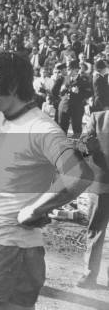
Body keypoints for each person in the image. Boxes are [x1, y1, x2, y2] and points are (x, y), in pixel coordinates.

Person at [0, 52, 92, 310]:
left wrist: (35, 209)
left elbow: (78, 175)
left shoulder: (41, 128)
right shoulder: (2, 117)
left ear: (12, 86)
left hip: (15, 249)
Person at [76, 110, 109, 288]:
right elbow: (81, 146)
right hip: (102, 183)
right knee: (95, 231)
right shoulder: (98, 118)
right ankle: (89, 275)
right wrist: (88, 144)